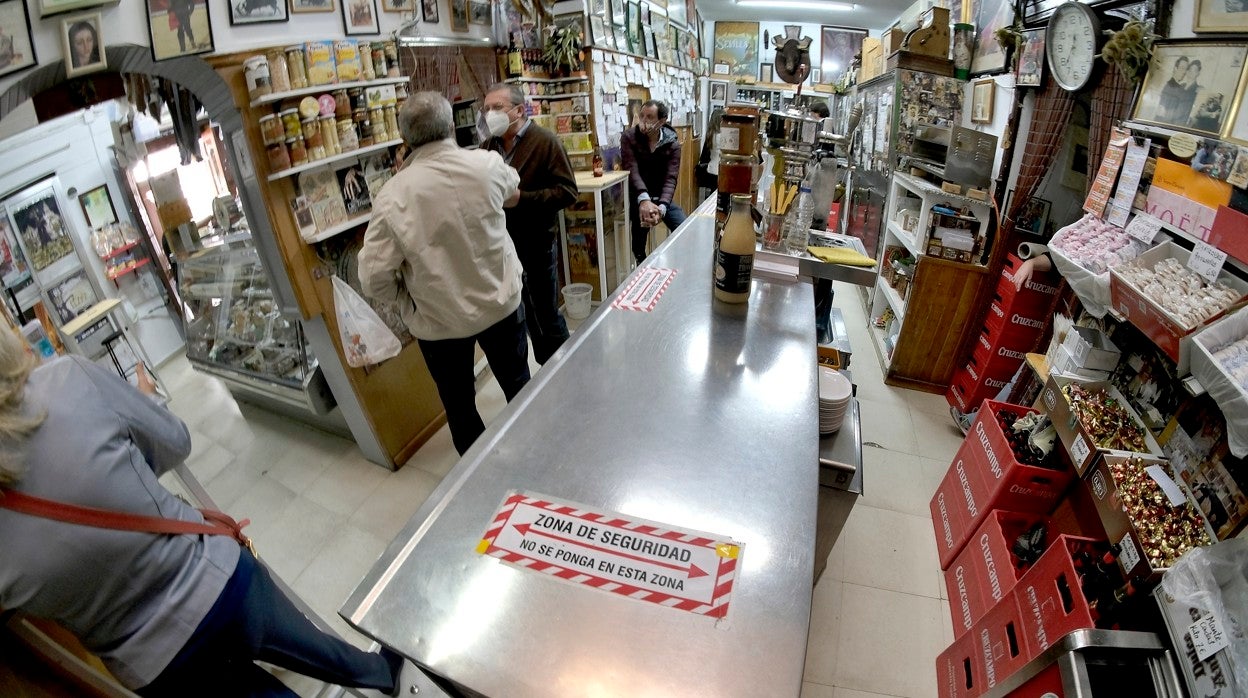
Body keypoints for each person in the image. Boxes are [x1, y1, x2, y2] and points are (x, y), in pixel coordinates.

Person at [0, 331, 407, 696]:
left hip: (155, 662)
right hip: (216, 577)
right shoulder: (67, 379)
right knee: (316, 647)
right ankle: (379, 672)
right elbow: (174, 442)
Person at [359, 91, 531, 456]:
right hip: (501, 305)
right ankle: (537, 454)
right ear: (452, 126)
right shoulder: (486, 165)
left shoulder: (392, 196)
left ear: (405, 140)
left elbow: (372, 277)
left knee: (460, 407)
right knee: (519, 386)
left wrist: (407, 301)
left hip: (440, 324)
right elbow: (513, 188)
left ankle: (481, 481)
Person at [479, 83, 578, 365]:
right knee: (522, 311)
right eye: (486, 109)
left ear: (519, 110)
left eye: (497, 108)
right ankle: (545, 374)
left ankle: (567, 368)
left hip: (538, 241)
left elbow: (568, 192)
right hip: (502, 245)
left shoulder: (546, 142)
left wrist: (523, 198)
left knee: (546, 313)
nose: (490, 114)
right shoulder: (487, 148)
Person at [620, 99, 685, 265]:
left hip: (662, 198)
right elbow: (631, 170)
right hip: (638, 197)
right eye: (642, 115)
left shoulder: (673, 144)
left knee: (684, 229)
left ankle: (677, 265)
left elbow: (671, 178)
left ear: (662, 121)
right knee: (639, 243)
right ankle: (642, 266)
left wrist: (662, 208)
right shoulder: (629, 137)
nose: (644, 120)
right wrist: (644, 200)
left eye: (649, 117)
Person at [1157, 55, 1190, 123]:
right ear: (1175, 68)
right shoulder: (1169, 87)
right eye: (1182, 68)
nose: (1184, 72)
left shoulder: (1179, 88)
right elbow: (1162, 113)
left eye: (1185, 69)